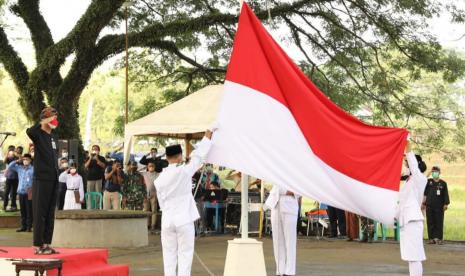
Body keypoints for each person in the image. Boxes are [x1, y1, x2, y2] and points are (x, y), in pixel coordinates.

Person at [155, 128, 214, 276]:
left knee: (168, 257)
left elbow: (161, 203)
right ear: (180, 156)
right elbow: (199, 157)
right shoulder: (183, 171)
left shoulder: (159, 179)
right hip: (184, 219)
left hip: (167, 220)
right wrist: (207, 136)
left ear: (167, 157)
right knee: (185, 256)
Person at [26, 106, 60, 255]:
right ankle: (37, 245)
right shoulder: (38, 134)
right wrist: (43, 120)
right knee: (40, 212)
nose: (54, 120)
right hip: (41, 178)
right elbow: (29, 131)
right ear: (45, 118)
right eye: (52, 117)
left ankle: (47, 244)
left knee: (50, 212)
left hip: (53, 178)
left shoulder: (53, 136)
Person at [396, 141, 427, 276]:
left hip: (413, 221)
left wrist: (408, 149)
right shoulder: (409, 182)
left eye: (407, 163)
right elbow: (401, 203)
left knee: (414, 257)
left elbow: (413, 165)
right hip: (406, 221)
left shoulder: (420, 179)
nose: (406, 165)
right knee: (411, 257)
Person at [264, 185, 300, 276]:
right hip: (275, 205)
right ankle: (280, 271)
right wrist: (284, 190)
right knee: (277, 242)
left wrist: (282, 191)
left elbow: (299, 189)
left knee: (290, 241)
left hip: (289, 205)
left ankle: (290, 272)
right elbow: (268, 186)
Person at [7, 154, 34, 232]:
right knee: (22, 210)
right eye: (24, 159)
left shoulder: (33, 169)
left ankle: (29, 227)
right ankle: (23, 226)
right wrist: (17, 160)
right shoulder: (20, 168)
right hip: (21, 191)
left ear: (30, 160)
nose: (25, 161)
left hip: (30, 191)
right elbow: (10, 167)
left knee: (29, 209)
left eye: (27, 159)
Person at [423, 166, 449, 245]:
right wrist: (423, 203)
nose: (435, 173)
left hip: (439, 206)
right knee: (430, 222)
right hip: (429, 205)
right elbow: (425, 193)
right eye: (433, 171)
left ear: (439, 172)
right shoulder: (428, 181)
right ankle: (431, 239)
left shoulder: (443, 183)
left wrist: (446, 204)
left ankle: (439, 239)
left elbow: (445, 194)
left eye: (436, 171)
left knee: (439, 222)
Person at [142, 161, 159, 232]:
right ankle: (147, 225)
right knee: (146, 211)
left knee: (154, 211)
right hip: (146, 195)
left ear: (154, 167)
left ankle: (153, 225)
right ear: (147, 167)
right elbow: (136, 170)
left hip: (154, 194)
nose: (151, 167)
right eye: (149, 166)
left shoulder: (158, 174)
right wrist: (144, 167)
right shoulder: (144, 174)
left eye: (152, 166)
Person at [3, 146, 18, 211]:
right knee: (6, 192)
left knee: (14, 193)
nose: (12, 151)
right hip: (9, 178)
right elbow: (4, 161)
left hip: (15, 178)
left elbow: (20, 159)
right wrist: (7, 154)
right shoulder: (8, 158)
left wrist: (15, 154)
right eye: (10, 150)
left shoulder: (16, 157)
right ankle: (5, 205)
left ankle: (13, 206)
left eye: (13, 149)